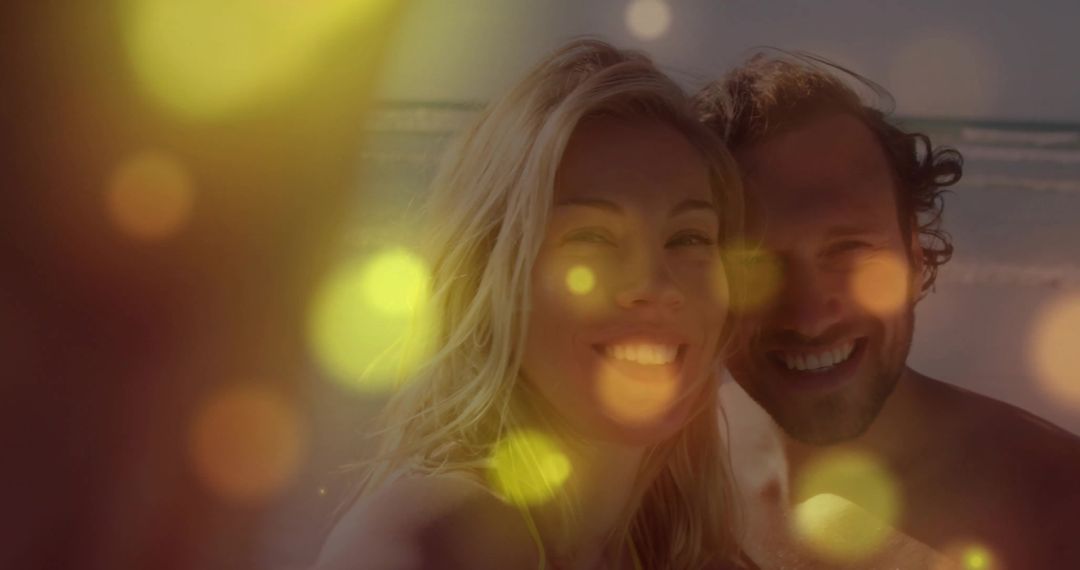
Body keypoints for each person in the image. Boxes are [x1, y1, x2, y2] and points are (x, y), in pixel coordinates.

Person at [314, 39, 751, 570]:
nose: (657, 285)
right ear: (492, 275)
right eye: (593, 238)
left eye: (687, 239)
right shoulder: (431, 542)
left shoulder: (668, 545)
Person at [694, 53, 1080, 568]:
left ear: (915, 256)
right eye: (753, 265)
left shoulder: (1056, 514)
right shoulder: (669, 464)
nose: (809, 317)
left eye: (848, 250)